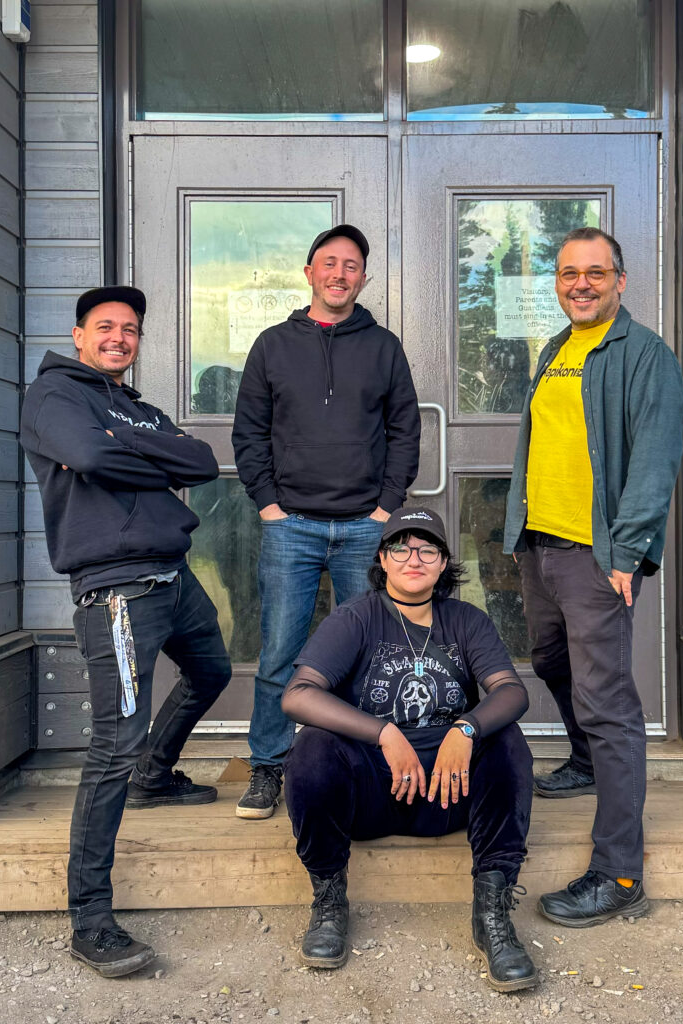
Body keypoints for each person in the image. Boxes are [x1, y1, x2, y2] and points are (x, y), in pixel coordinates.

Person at [20, 286, 232, 977]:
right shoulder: (56, 395)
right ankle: (90, 919)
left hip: (174, 575)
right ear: (79, 336)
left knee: (212, 674)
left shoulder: (132, 405)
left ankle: (157, 773)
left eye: (131, 329)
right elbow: (92, 457)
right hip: (116, 591)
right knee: (112, 746)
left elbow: (200, 462)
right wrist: (139, 450)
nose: (119, 337)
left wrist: (127, 439)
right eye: (106, 327)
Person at [503, 227, 683, 927]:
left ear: (621, 280)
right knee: (551, 660)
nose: (580, 283)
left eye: (595, 273)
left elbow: (654, 460)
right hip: (541, 543)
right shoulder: (557, 349)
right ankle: (582, 761)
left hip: (594, 552)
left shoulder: (645, 356)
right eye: (569, 273)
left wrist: (628, 552)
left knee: (608, 703)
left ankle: (619, 872)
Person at [281, 507, 537, 992]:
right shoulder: (356, 616)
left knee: (506, 742)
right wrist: (383, 732)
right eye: (401, 546)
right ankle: (330, 900)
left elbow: (511, 691)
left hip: (449, 794)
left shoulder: (466, 620)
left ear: (443, 563)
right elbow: (298, 694)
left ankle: (493, 913)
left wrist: (465, 730)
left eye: (427, 549)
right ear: (383, 558)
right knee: (312, 750)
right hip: (372, 796)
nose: (413, 557)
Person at [232, 224, 421, 820]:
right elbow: (249, 434)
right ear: (309, 273)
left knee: (369, 652)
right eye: (329, 263)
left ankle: (363, 758)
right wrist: (269, 505)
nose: (340, 274)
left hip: (366, 529)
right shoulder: (271, 345)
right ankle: (268, 765)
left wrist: (386, 506)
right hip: (292, 528)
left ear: (363, 278)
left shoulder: (384, 346)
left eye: (352, 266)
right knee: (281, 653)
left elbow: (404, 431)